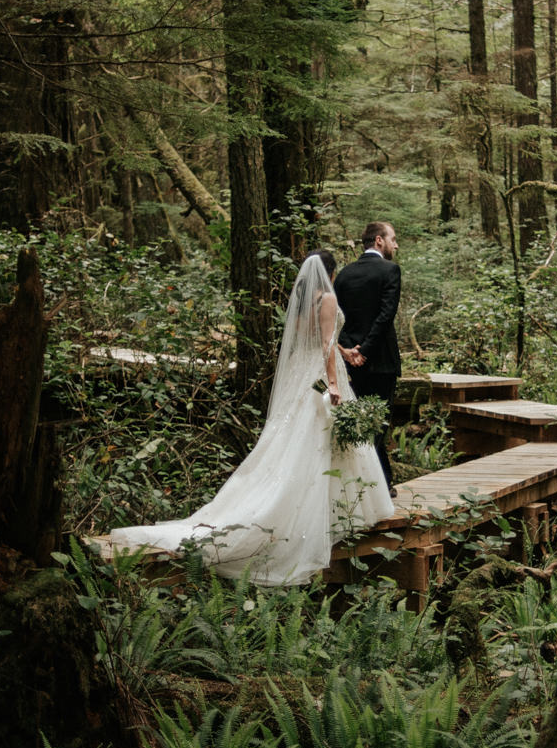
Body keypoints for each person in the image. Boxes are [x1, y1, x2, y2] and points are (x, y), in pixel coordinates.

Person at [105, 251, 393, 586]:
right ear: (330, 272)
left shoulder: (302, 299)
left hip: (303, 374)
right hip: (320, 375)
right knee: (320, 442)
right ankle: (336, 512)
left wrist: (345, 352)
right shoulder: (327, 297)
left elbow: (315, 338)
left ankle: (323, 509)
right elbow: (326, 342)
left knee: (296, 441)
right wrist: (332, 382)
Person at [334, 221, 402, 496]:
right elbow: (386, 316)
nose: (396, 245)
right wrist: (366, 350)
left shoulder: (344, 274)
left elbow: (340, 318)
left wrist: (351, 351)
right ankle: (380, 485)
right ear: (378, 241)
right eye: (393, 239)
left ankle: (377, 481)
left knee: (361, 421)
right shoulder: (390, 270)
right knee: (378, 423)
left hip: (352, 362)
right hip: (380, 361)